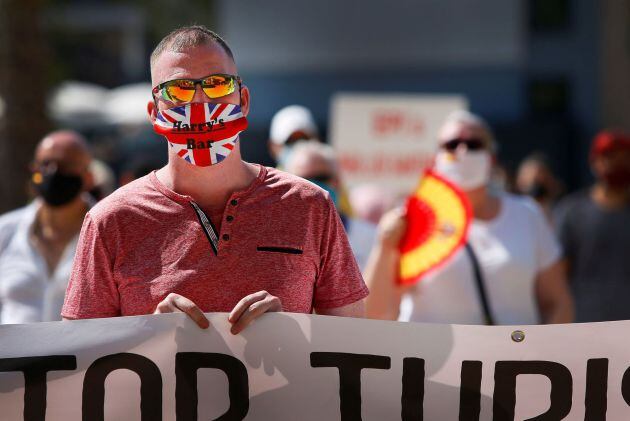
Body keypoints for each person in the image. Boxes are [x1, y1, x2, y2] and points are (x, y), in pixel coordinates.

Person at [61, 26, 368, 334]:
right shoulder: (111, 221)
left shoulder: (310, 206)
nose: (199, 104)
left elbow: (356, 345)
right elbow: (79, 358)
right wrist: (148, 333)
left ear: (243, 100)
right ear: (154, 113)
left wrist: (294, 331)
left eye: (217, 85)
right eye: (178, 90)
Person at [365, 110, 573, 325]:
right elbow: (375, 313)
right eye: (452, 145)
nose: (462, 151)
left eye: (474, 144)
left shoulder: (527, 215)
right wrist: (385, 246)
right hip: (434, 358)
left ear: (491, 158)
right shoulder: (411, 221)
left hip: (512, 357)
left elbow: (557, 302)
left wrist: (541, 353)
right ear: (436, 157)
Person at [0, 130, 94, 323]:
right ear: (33, 170)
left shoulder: (111, 232)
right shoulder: (5, 231)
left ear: (88, 177)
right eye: (45, 164)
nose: (52, 172)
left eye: (65, 165)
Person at [554, 131, 630, 322]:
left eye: (624, 157)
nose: (617, 163)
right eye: (609, 156)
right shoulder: (572, 212)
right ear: (594, 161)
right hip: (585, 326)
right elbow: (558, 276)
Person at [284, 140, 377, 270]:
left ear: (337, 182)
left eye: (321, 178)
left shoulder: (372, 239)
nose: (313, 187)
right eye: (303, 180)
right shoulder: (276, 240)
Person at [516, 152, 563, 220]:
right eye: (533, 181)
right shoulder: (515, 214)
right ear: (519, 181)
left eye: (543, 180)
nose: (537, 188)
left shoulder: (563, 212)